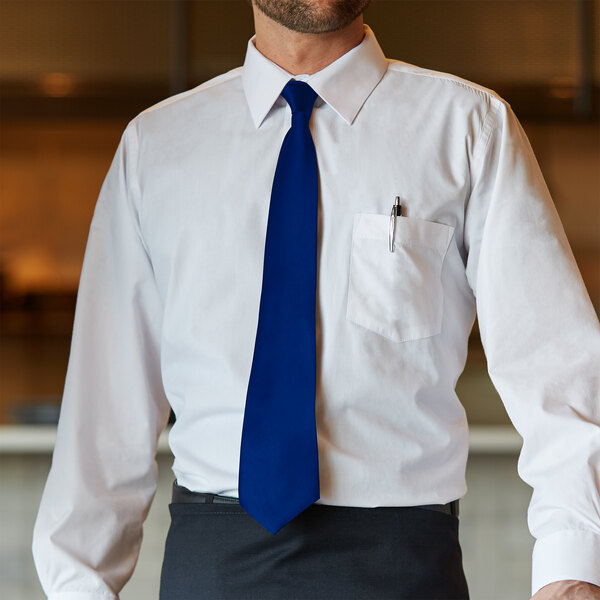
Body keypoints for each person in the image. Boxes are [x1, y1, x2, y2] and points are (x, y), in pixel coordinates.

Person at [32, 1, 600, 599]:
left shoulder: (471, 129)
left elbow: (561, 372)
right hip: (211, 565)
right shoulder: (154, 148)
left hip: (402, 567)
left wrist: (573, 567)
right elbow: (103, 414)